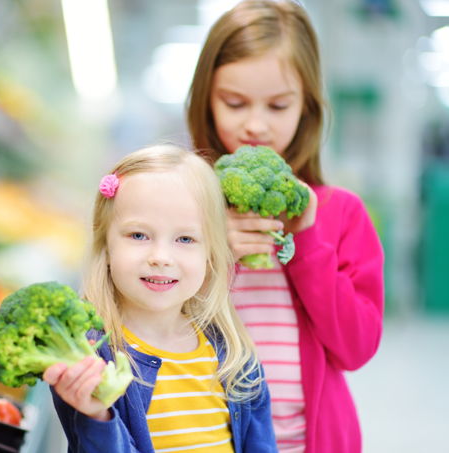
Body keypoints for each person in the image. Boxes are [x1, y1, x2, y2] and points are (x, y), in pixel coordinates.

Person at [185, 2, 385, 453]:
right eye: (234, 103)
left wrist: (309, 241)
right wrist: (213, 255)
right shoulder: (184, 205)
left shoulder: (340, 213)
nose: (255, 124)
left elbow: (356, 348)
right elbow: (151, 321)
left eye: (278, 105)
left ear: (307, 107)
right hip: (205, 438)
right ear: (205, 99)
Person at [43, 144, 277, 453]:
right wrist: (98, 415)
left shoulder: (234, 356)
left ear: (211, 253)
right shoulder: (90, 356)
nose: (161, 257)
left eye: (185, 239)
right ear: (106, 245)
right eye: (139, 235)